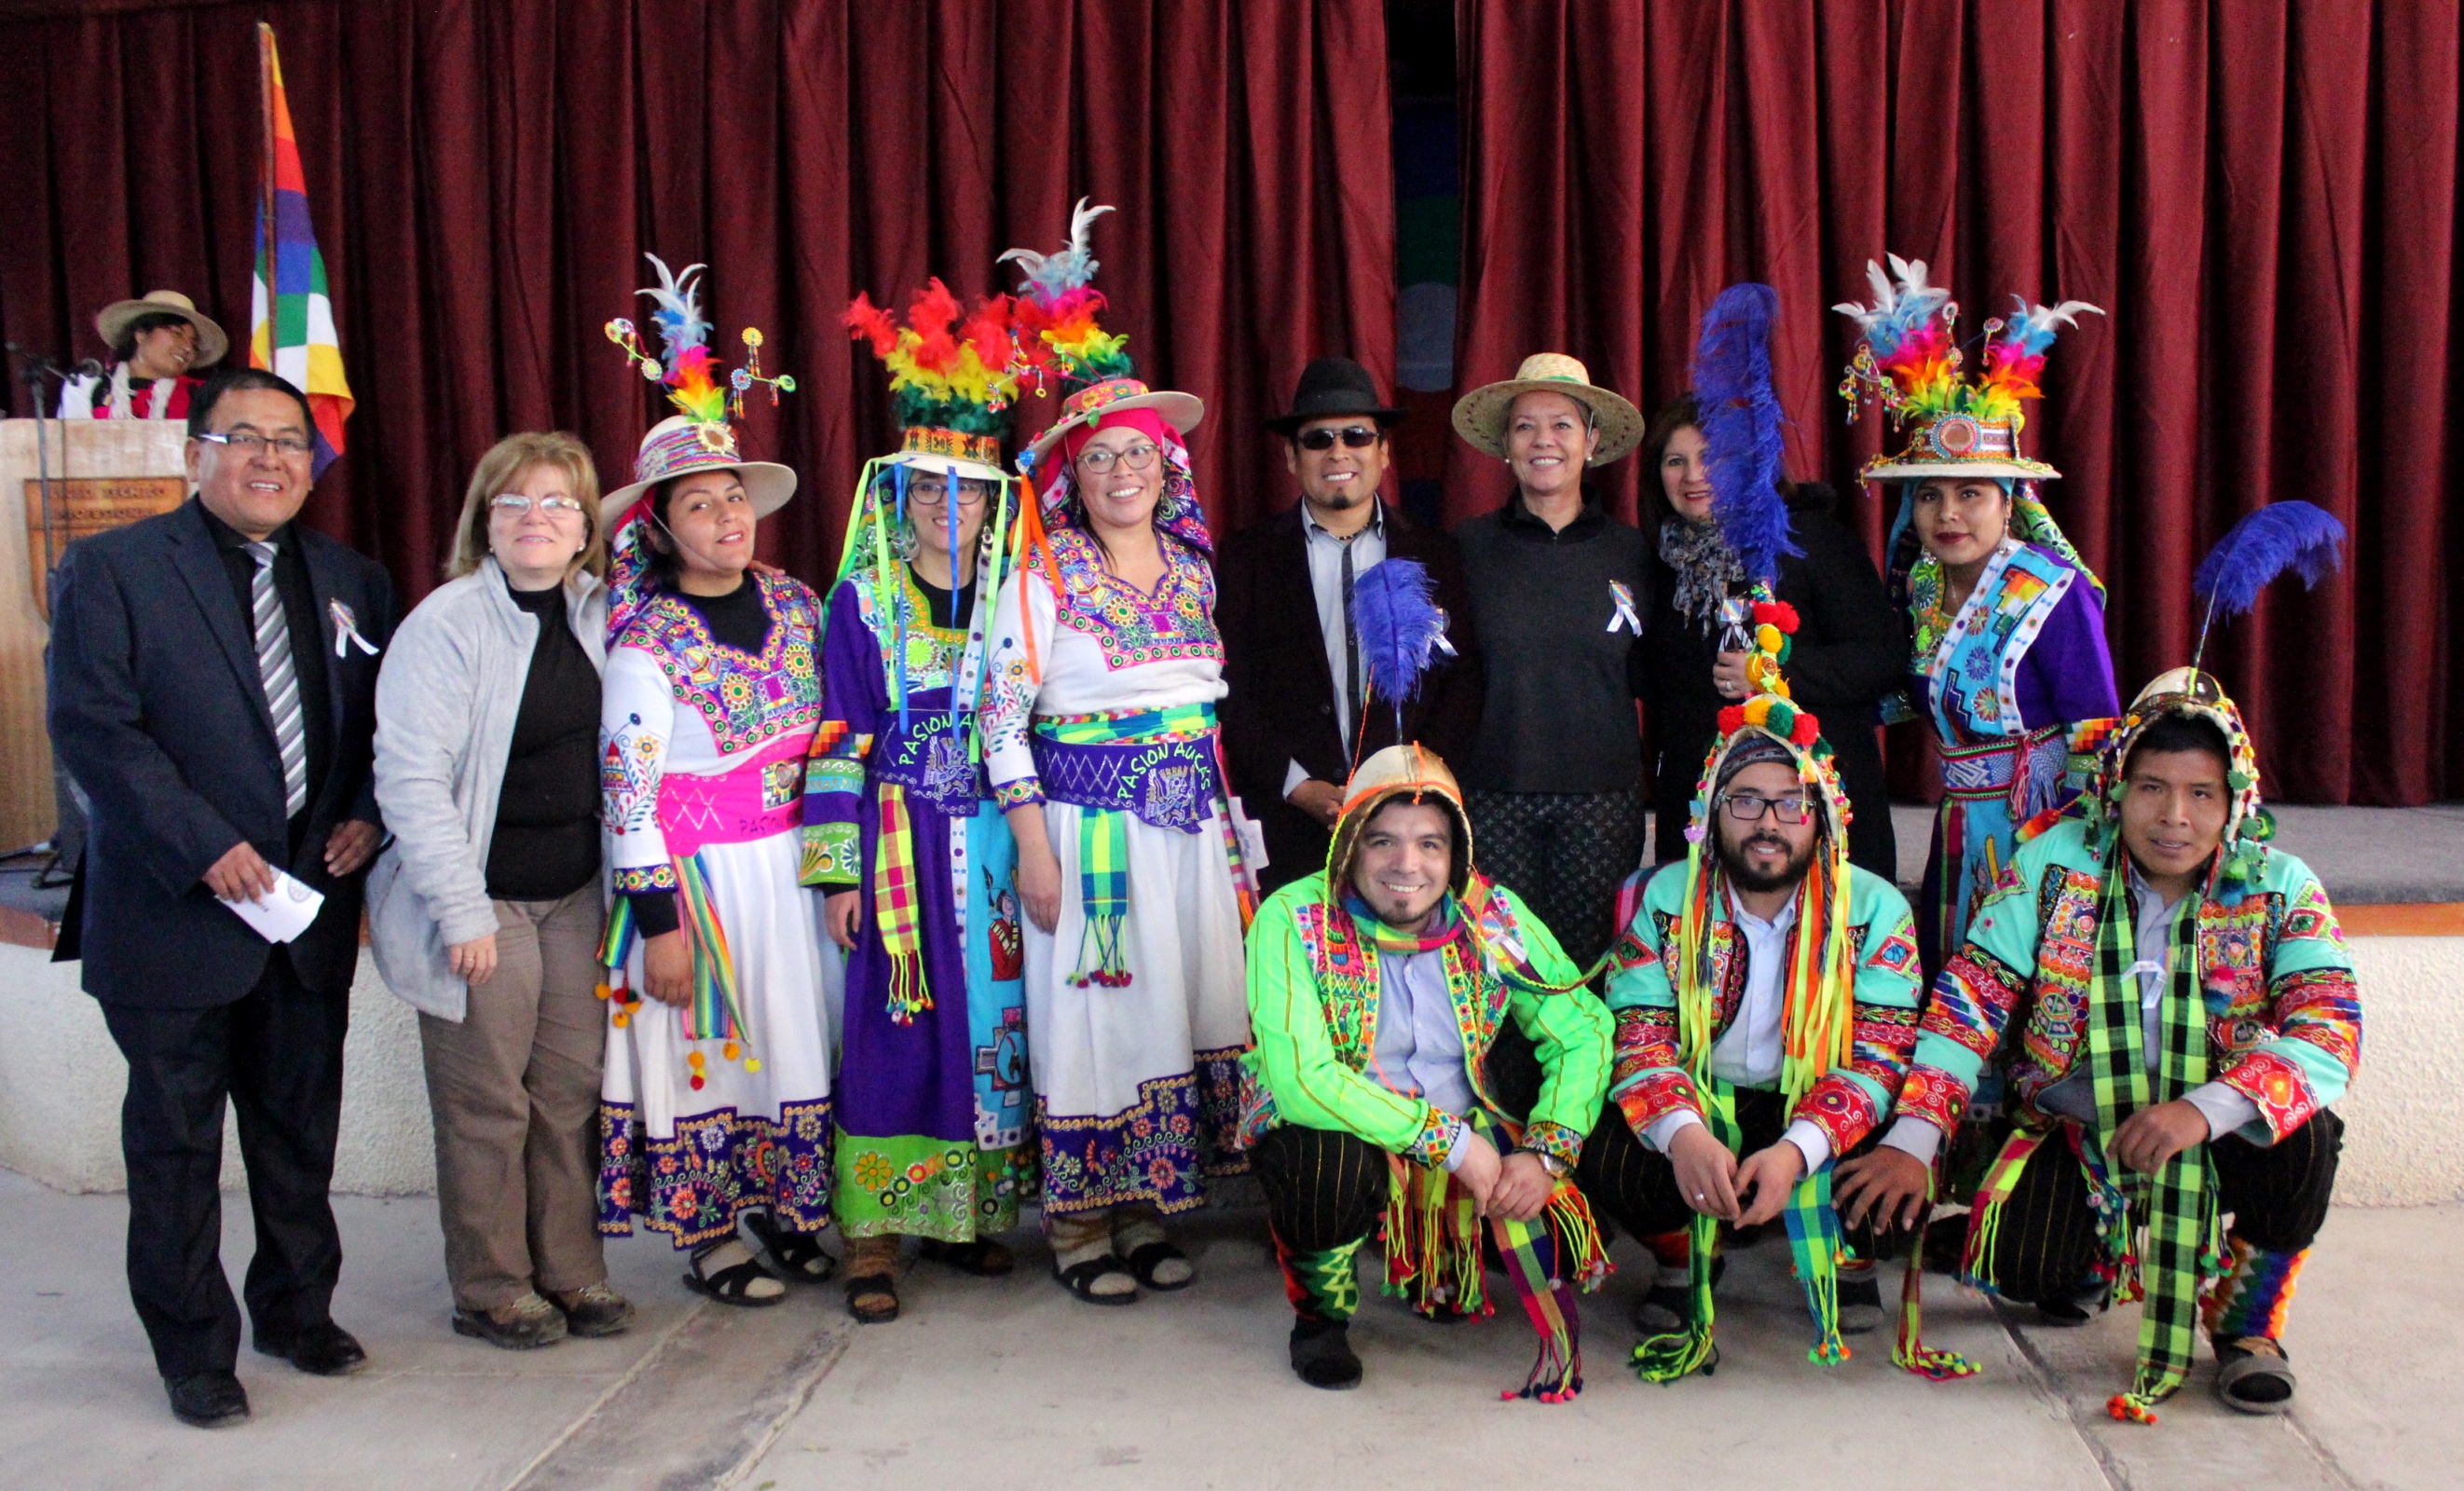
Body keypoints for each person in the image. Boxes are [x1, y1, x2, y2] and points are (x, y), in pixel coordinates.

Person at [1837, 668, 2362, 1421]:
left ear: (2236, 799)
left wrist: (2205, 1109)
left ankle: (2246, 1323)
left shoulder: (2280, 886)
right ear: (2115, 786)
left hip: (2211, 1130)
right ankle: (2085, 1257)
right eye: (2151, 787)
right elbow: (1970, 1001)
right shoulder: (2052, 865)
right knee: (2026, 1269)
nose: (2173, 817)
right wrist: (1913, 1139)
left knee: (2306, 1137)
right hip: (2078, 1128)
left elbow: (2330, 1024)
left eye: (2201, 794)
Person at [47, 367, 390, 1428]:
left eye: (291, 441)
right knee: (178, 1142)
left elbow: (388, 723)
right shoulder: (113, 569)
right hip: (174, 911)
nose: (272, 458)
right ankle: (195, 1350)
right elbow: (96, 729)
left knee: (298, 1130)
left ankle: (297, 1309)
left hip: (303, 917)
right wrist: (207, 848)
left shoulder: (353, 580)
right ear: (197, 453)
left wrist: (370, 810)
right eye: (244, 437)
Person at [982, 201, 1254, 1303]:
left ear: (1165, 463)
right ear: (1071, 479)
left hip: (1191, 829)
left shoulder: (1197, 571)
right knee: (1096, 1010)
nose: (1122, 473)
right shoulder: (1037, 580)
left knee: (1176, 1008)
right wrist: (1032, 847)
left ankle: (1147, 1203)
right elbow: (1000, 719)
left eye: (1138, 454)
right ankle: (1081, 1224)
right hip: (1088, 836)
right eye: (1100, 461)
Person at [1578, 604, 1934, 1382]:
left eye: (1789, 804)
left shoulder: (1874, 907)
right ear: (1710, 812)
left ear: (1823, 817)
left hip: (1818, 1103)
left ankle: (1848, 1252)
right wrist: (1684, 1137)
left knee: (1899, 1130)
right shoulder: (1666, 898)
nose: (1768, 824)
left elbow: (1879, 1060)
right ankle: (1680, 1257)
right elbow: (1638, 1040)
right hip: (1703, 1098)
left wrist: (1796, 1150)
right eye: (1745, 801)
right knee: (1606, 1144)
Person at [594, 258, 839, 1306]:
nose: (726, 517)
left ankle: (786, 1208)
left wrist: (836, 869)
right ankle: (707, 1232)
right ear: (661, 525)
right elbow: (628, 791)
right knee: (706, 1050)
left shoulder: (799, 601)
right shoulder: (643, 639)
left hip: (791, 865)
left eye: (734, 497)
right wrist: (658, 923)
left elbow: (835, 737)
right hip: (699, 882)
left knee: (795, 1038)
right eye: (700, 504)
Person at [368, 431, 633, 1350]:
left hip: (574, 893)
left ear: (584, 525)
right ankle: (490, 1284)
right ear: (485, 520)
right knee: (488, 1100)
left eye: (559, 501)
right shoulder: (445, 625)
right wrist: (460, 911)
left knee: (569, 1088)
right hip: (481, 896)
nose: (536, 518)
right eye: (514, 501)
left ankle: (571, 1270)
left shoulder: (600, 614)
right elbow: (408, 779)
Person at [1241, 743, 1610, 1399]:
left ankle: (1434, 1253)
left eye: (1430, 844)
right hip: (1349, 1129)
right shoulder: (1292, 918)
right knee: (1323, 1169)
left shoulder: (1490, 916)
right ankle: (1320, 1319)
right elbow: (1304, 1079)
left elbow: (1581, 1030)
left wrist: (1546, 1152)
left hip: (1471, 1133)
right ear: (1349, 844)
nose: (1406, 865)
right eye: (1382, 841)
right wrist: (1449, 1143)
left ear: (1456, 853)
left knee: (1559, 1231)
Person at [807, 280, 1036, 1323]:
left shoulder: (1018, 596)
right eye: (928, 491)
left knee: (991, 1027)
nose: (950, 510)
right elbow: (838, 741)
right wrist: (835, 874)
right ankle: (872, 1237)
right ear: (895, 496)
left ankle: (965, 1217)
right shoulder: (859, 601)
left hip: (991, 843)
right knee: (895, 1028)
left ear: (995, 501)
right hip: (897, 841)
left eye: (969, 492)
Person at [1832, 256, 2120, 975]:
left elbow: (2096, 729)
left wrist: (2079, 850)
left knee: (2029, 976)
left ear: (2009, 502)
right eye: (1930, 495)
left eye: (1972, 494)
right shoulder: (1922, 587)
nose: (1949, 513)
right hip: (1960, 822)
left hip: (2043, 825)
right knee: (1954, 978)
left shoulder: (2053, 592)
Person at [1637, 290, 1901, 882]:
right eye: (1673, 461)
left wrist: (1775, 675)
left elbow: (1881, 657)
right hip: (1702, 808)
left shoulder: (1809, 540)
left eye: (1710, 456)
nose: (1693, 476)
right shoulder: (1658, 563)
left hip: (1815, 801)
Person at [1218, 357, 1482, 892]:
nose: (1339, 451)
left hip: (1407, 822)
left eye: (1357, 435)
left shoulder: (1436, 554)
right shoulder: (1247, 557)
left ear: (1383, 451)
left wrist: (1412, 782)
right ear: (1292, 457)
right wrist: (1296, 785)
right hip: (1288, 821)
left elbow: (1463, 681)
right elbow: (1228, 687)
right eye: (1318, 439)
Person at [1447, 352, 1651, 977]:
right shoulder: (1466, 548)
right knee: (1497, 968)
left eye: (1561, 424)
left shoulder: (1633, 550)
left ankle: (1586, 1079)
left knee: (1585, 971)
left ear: (1591, 442)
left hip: (1602, 798)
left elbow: (1655, 673)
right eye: (1525, 426)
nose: (1544, 441)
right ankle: (1495, 1081)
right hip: (1490, 792)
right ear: (1506, 446)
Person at [57, 289, 226, 420]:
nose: (188, 348)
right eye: (177, 333)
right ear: (141, 334)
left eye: (194, 344)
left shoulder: (202, 396)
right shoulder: (90, 385)